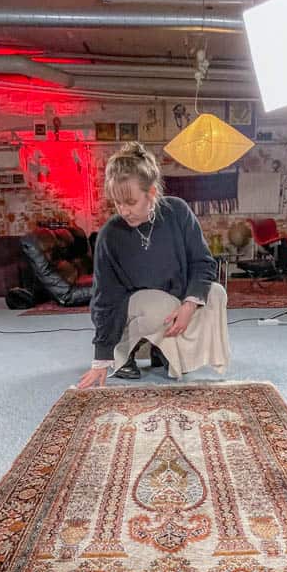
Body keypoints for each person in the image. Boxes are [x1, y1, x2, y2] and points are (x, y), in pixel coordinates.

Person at [76, 142, 230, 389]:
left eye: (130, 202)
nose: (124, 211)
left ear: (152, 193)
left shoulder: (177, 212)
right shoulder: (110, 235)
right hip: (130, 309)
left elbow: (203, 263)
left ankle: (165, 349)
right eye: (117, 203)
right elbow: (105, 299)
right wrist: (101, 359)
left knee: (216, 294)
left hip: (174, 301)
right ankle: (125, 353)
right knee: (160, 304)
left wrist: (190, 305)